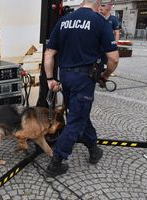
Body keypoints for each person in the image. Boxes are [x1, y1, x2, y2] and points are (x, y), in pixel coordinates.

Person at [44, 0, 119, 177]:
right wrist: (105, 76)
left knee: (79, 113)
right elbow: (114, 59)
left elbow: (49, 53)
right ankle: (56, 162)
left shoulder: (64, 21)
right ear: (98, 3)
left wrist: (50, 79)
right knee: (76, 120)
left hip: (66, 77)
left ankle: (93, 148)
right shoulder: (100, 21)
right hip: (84, 79)